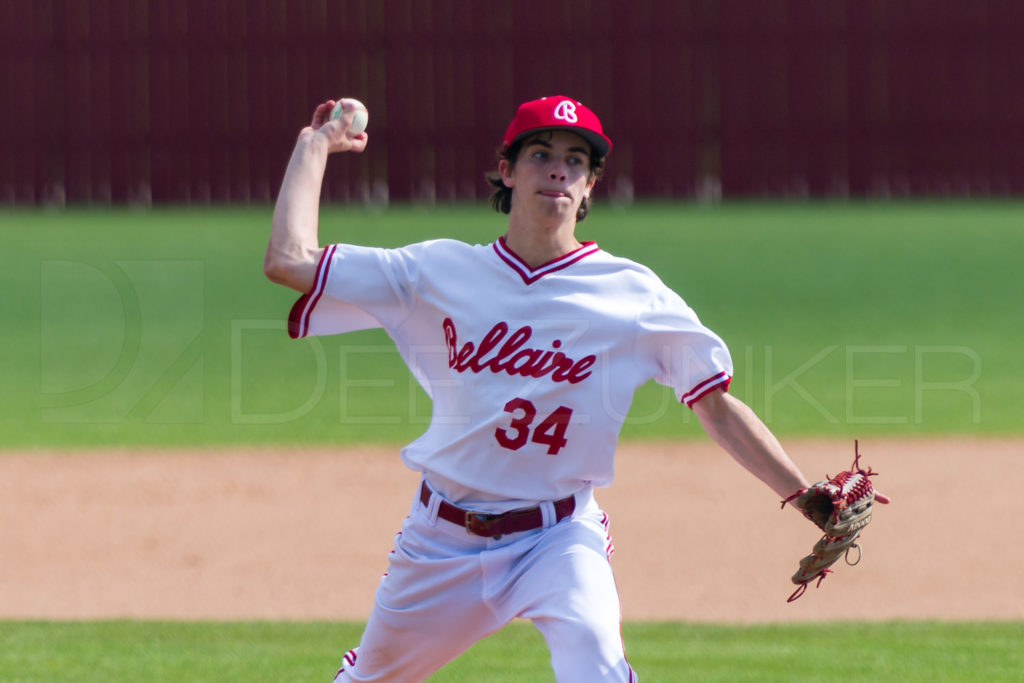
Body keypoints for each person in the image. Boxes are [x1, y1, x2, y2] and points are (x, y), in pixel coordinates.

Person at [264, 95, 888, 682]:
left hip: (556, 539)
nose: (558, 172)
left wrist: (803, 494)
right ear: (506, 171)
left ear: (590, 185)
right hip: (440, 542)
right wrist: (313, 146)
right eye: (541, 155)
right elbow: (289, 259)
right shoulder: (435, 271)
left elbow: (716, 407)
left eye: (576, 161)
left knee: (595, 661)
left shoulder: (632, 294)